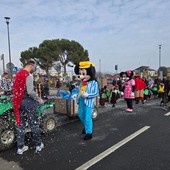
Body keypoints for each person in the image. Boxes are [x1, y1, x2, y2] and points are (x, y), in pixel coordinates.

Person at [12, 60, 44, 155]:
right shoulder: (28, 75)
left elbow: (15, 89)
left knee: (20, 125)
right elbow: (30, 91)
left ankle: (20, 147)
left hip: (18, 101)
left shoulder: (17, 75)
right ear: (31, 66)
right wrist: (39, 99)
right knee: (34, 123)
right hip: (28, 101)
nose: (33, 69)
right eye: (33, 68)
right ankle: (38, 145)